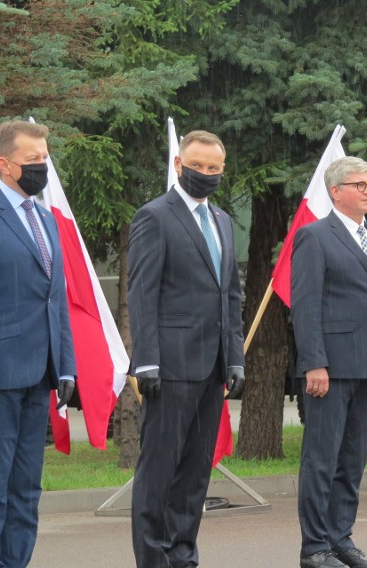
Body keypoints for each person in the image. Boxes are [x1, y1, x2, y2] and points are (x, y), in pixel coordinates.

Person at [0, 120, 76, 567]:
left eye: (45, 157)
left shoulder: (45, 219)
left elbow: (55, 298)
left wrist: (65, 366)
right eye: (34, 160)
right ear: (5, 165)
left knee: (26, 487)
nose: (43, 167)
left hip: (40, 372)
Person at [128, 129, 246, 568]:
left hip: (212, 367)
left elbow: (229, 295)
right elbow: (142, 295)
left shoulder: (222, 221)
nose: (206, 175)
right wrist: (147, 361)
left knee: (195, 474)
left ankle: (183, 556)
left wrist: (234, 357)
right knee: (159, 472)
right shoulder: (154, 216)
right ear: (179, 164)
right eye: (197, 166)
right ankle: (153, 560)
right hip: (170, 367)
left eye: (214, 169)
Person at [291, 156, 367, 568]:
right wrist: (314, 362)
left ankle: (341, 540)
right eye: (360, 184)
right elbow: (305, 305)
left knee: (352, 460)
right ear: (336, 191)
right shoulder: (315, 237)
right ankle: (314, 547)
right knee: (321, 459)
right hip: (331, 369)